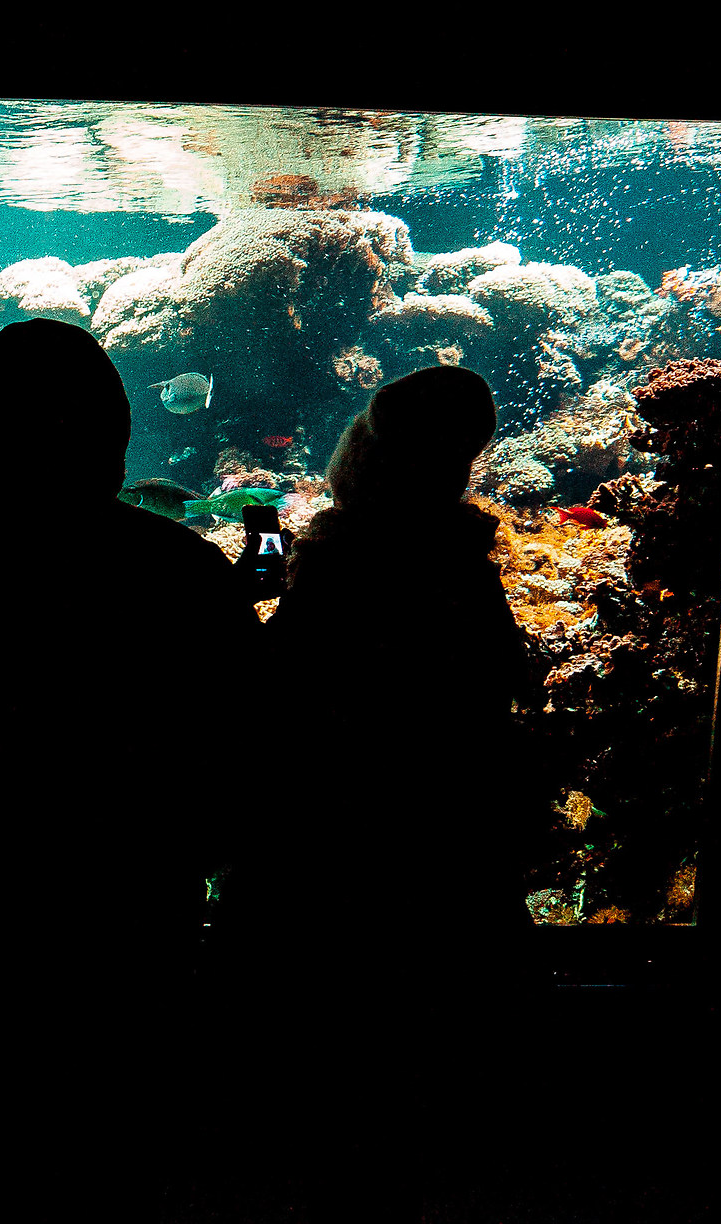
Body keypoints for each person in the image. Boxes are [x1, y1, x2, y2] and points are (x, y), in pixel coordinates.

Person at [0, 319, 261, 1218]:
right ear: (113, 431)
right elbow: (250, 752)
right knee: (115, 1145)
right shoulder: (182, 571)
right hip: (130, 908)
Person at [219, 364, 544, 1222]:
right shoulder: (456, 557)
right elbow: (503, 678)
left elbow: (279, 689)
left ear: (366, 448)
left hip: (326, 850)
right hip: (448, 849)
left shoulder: (346, 555)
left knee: (322, 1064)